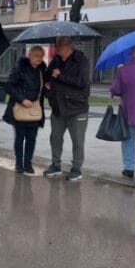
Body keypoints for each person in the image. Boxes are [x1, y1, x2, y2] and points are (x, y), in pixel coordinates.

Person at [44, 37, 90, 181]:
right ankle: (55, 165)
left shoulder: (81, 61)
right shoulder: (55, 61)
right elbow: (47, 78)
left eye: (60, 46)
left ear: (69, 47)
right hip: (58, 107)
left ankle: (76, 168)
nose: (57, 49)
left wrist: (60, 76)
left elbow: (82, 83)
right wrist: (48, 90)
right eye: (57, 46)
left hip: (76, 108)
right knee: (55, 138)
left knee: (77, 140)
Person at [3, 46, 48, 174]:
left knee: (32, 138)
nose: (39, 58)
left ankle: (28, 163)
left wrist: (47, 87)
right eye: (36, 55)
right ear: (29, 55)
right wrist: (22, 99)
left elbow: (42, 89)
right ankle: (19, 163)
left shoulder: (41, 70)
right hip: (20, 109)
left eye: (41, 56)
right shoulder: (20, 68)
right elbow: (9, 86)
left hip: (34, 110)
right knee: (20, 137)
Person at [111, 45, 135, 180]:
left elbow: (116, 90)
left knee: (128, 139)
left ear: (134, 55)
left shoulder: (123, 70)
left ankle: (129, 168)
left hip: (129, 110)